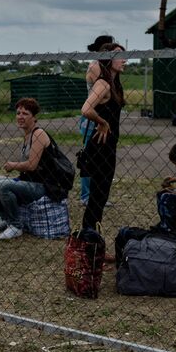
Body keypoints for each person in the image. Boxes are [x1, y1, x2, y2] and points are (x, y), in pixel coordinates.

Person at [0, 97, 52, 240]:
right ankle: (6, 220)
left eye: (25, 113)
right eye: (18, 113)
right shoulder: (27, 135)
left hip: (42, 185)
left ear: (34, 117)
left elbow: (32, 165)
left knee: (3, 185)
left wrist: (13, 165)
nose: (20, 117)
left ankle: (16, 226)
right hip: (28, 181)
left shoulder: (38, 134)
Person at [81, 42, 126, 231]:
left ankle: (90, 239)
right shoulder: (103, 83)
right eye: (119, 56)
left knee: (100, 198)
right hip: (100, 147)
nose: (125, 60)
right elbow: (85, 109)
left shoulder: (114, 83)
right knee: (97, 199)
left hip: (108, 146)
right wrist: (103, 122)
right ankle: (88, 239)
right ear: (108, 59)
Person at [80, 34, 115, 205]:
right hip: (91, 117)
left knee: (101, 157)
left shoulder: (104, 67)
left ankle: (98, 193)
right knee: (90, 157)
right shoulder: (95, 66)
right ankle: (87, 195)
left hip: (100, 116)